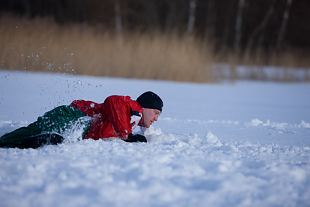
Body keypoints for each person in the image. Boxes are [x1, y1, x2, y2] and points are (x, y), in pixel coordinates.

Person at [0, 91, 163, 149]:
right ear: (145, 107)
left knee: (40, 136)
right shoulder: (134, 109)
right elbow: (114, 100)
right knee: (31, 131)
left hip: (76, 126)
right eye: (155, 112)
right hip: (72, 116)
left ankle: (48, 138)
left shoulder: (131, 121)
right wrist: (126, 135)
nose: (156, 118)